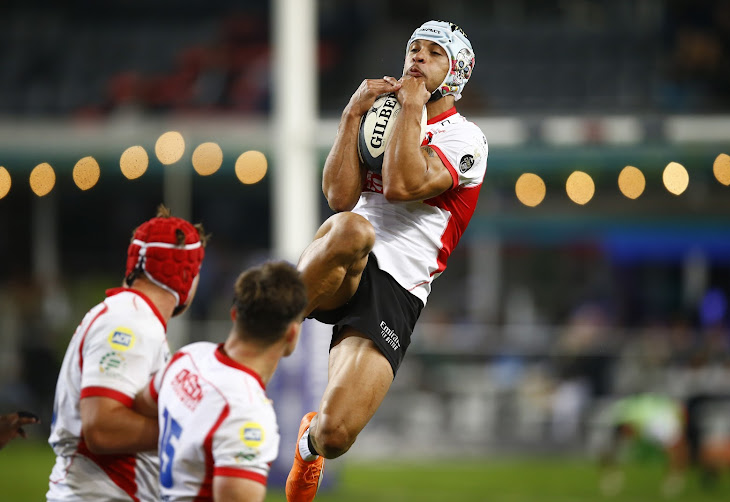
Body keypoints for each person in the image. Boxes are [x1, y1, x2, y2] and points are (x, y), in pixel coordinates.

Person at [286, 20, 487, 500]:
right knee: (355, 225)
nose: (417, 57)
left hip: (400, 287)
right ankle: (273, 323)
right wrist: (352, 115)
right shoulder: (380, 112)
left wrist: (412, 110)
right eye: (413, 47)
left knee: (337, 436)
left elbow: (401, 185)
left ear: (456, 72)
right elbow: (339, 196)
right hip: (347, 254)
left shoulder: (466, 138)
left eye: (433, 53)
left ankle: (307, 446)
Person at [47, 205, 207, 502]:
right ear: (187, 272)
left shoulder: (131, 317)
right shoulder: (130, 323)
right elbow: (103, 429)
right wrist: (196, 429)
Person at [133, 261, 306, 502]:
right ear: (292, 334)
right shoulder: (248, 413)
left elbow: (142, 408)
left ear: (235, 315)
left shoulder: (187, 358)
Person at [598, 393, 689, 497]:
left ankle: (675, 479)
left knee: (674, 450)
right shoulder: (665, 417)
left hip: (651, 420)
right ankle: (611, 475)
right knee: (674, 450)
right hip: (645, 419)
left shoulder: (664, 421)